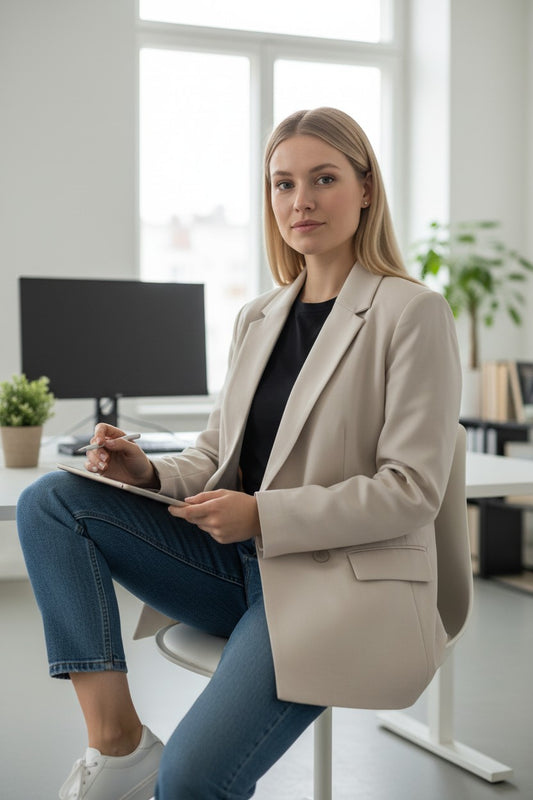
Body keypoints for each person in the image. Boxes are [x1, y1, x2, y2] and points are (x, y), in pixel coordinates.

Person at [17, 107, 462, 800]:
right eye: (282, 184)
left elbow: (409, 490)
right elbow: (218, 452)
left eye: (323, 178)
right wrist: (150, 472)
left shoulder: (411, 312)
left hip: (336, 588)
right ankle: (119, 743)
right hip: (237, 572)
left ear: (365, 188)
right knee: (51, 501)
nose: (301, 201)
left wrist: (262, 515)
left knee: (192, 780)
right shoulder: (258, 315)